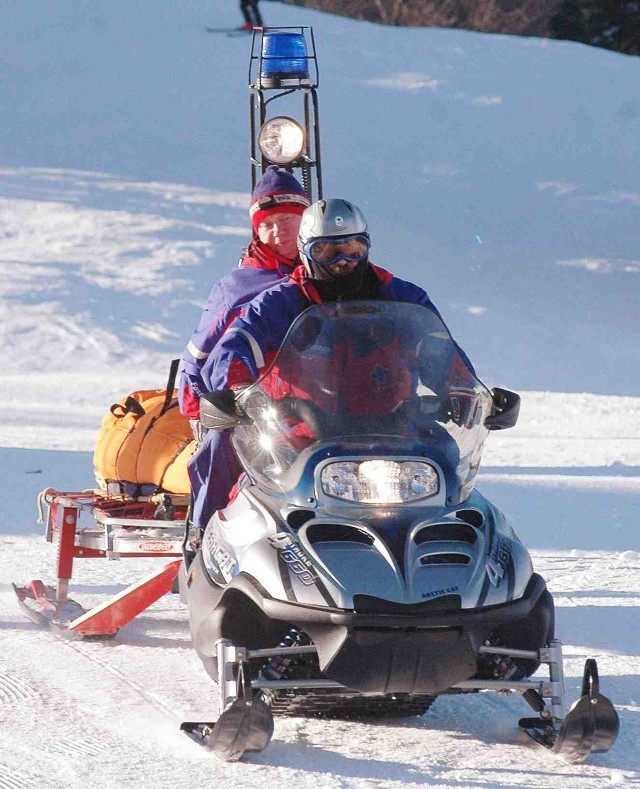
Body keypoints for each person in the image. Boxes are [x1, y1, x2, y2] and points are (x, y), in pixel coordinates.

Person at [198, 198, 475, 514]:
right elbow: (236, 347)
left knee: (454, 484)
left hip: (395, 434)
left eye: (355, 248)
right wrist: (240, 392)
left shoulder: (403, 296)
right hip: (298, 437)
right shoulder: (280, 303)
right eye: (327, 252)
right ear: (306, 251)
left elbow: (439, 349)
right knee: (243, 498)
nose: (344, 260)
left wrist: (461, 392)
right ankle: (205, 537)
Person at [180, 165, 310, 538]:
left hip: (317, 405)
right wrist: (203, 404)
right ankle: (203, 539)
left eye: (288, 220)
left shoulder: (328, 276)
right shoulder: (236, 287)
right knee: (224, 446)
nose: (278, 230)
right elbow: (198, 353)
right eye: (267, 224)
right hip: (253, 408)